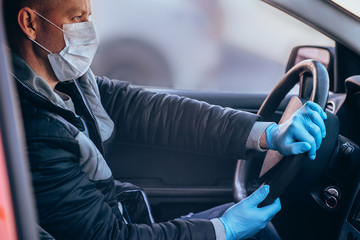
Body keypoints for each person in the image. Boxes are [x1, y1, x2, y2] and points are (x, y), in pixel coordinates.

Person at [3, 0, 327, 239]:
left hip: (123, 218)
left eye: (89, 16)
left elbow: (154, 112)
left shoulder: (69, 82)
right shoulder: (31, 129)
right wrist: (219, 230)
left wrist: (265, 134)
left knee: (262, 231)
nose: (88, 29)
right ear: (30, 23)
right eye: (76, 18)